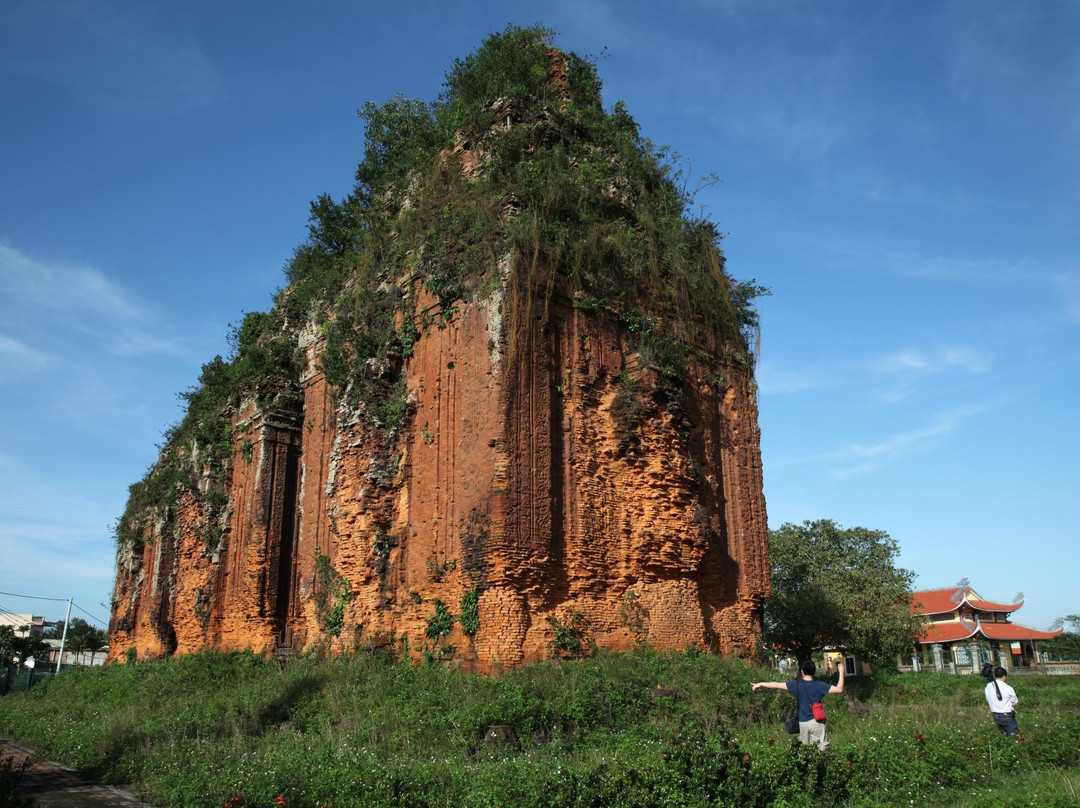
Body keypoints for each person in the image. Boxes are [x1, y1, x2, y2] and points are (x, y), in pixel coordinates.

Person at [752, 659, 844, 750]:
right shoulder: (820, 685)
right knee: (823, 749)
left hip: (803, 723)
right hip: (817, 722)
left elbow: (776, 685)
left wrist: (760, 684)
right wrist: (841, 672)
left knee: (805, 752)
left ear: (802, 671)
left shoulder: (795, 685)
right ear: (814, 671)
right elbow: (839, 689)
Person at [984, 666, 1019, 736]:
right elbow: (1015, 701)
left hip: (995, 715)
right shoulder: (1008, 688)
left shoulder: (988, 687)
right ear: (1004, 676)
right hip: (1007, 715)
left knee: (1003, 736)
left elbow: (987, 699)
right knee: (1014, 737)